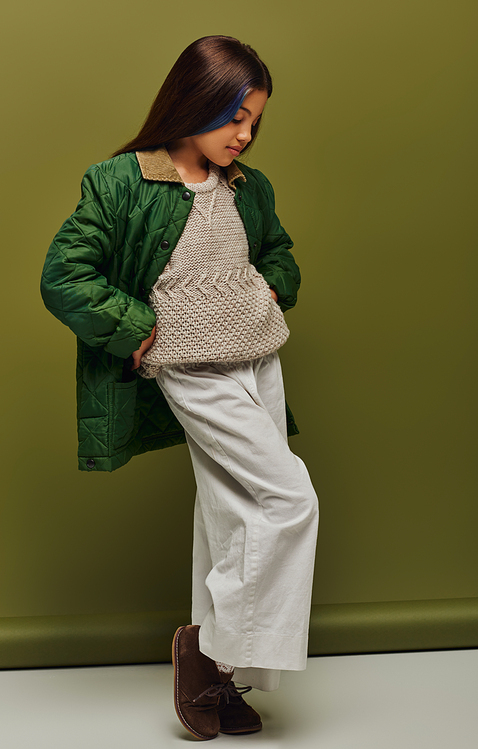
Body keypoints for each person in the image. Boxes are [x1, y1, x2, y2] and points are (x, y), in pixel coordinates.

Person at [41, 35, 319, 741]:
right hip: (194, 366)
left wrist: (269, 290)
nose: (245, 133)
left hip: (260, 360)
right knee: (288, 498)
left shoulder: (248, 187)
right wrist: (140, 328)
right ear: (192, 102)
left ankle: (222, 681)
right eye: (234, 116)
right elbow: (65, 276)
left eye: (255, 119)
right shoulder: (120, 182)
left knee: (231, 515)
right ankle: (209, 653)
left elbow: (279, 253)